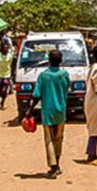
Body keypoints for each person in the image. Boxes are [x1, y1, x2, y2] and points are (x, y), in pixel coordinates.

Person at [27, 49, 70, 177]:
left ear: (49, 61)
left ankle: (53, 167)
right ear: (61, 60)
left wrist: (30, 110)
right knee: (59, 138)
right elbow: (67, 88)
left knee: (49, 139)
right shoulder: (65, 75)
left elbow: (36, 95)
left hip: (48, 111)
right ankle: (57, 163)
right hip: (61, 111)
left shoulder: (43, 76)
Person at [0, 42, 13, 110]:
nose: (6, 49)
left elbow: (11, 65)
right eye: (5, 48)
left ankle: (2, 102)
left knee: (4, 90)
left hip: (7, 75)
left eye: (7, 48)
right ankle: (2, 97)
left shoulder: (10, 56)